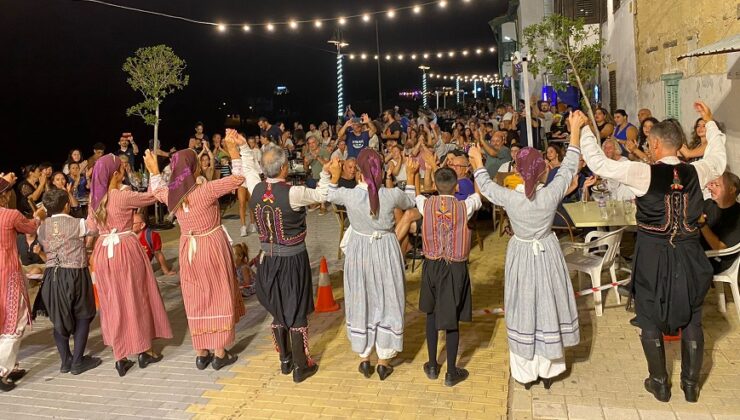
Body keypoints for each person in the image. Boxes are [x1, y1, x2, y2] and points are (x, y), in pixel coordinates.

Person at [580, 101, 726, 403]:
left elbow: (599, 164)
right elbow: (718, 158)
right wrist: (710, 123)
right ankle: (690, 385)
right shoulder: (697, 170)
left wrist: (581, 131)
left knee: (649, 316)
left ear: (656, 144)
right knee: (693, 318)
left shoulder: (641, 172)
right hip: (689, 253)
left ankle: (659, 383)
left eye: (648, 143)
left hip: (652, 255)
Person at [468, 111, 587, 390]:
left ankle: (525, 373)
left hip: (521, 253)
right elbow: (569, 165)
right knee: (548, 302)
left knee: (523, 306)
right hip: (547, 251)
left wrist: (476, 161)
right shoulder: (550, 192)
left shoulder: (511, 197)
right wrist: (575, 129)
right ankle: (549, 370)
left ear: (519, 171)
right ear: (542, 169)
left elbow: (484, 186)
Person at [147, 134, 246, 371]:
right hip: (210, 243)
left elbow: (157, 189)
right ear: (192, 169)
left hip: (188, 248)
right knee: (218, 291)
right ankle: (219, 352)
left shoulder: (173, 196)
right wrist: (233, 152)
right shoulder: (206, 191)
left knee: (195, 296)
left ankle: (201, 353)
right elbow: (238, 179)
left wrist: (153, 170)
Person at [240, 142, 330, 383]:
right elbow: (322, 194)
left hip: (268, 260)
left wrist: (242, 147)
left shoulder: (255, 187)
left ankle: (285, 360)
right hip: (293, 259)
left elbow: (248, 169)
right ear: (284, 167)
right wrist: (327, 173)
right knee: (297, 308)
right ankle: (301, 366)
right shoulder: (294, 192)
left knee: (278, 309)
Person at [326, 150, 416, 381]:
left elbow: (327, 193)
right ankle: (384, 361)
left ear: (359, 171)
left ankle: (365, 358)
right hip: (385, 249)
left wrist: (333, 174)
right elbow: (411, 200)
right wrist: (412, 176)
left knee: (361, 297)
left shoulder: (350, 195)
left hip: (360, 252)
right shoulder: (391, 194)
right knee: (387, 298)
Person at [86, 154, 172, 377]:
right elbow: (154, 197)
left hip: (103, 251)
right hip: (124, 247)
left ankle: (120, 356)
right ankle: (144, 350)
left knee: (112, 300)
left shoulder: (94, 201)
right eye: (121, 169)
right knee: (136, 296)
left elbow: (90, 228)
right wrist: (154, 172)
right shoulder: (121, 196)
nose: (124, 171)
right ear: (115, 174)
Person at [409, 165, 482, 387]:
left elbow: (415, 193)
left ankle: (432, 365)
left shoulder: (426, 204)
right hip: (455, 267)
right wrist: (477, 167)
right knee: (452, 319)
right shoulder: (464, 206)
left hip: (431, 265)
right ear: (457, 186)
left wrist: (418, 173)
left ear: (435, 186)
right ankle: (451, 371)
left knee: (431, 314)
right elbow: (478, 196)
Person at [37, 188, 101, 375]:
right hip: (75, 273)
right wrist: (91, 204)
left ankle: (66, 360)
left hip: (51, 275)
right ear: (66, 205)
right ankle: (78, 361)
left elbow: (43, 240)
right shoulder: (76, 223)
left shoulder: (42, 227)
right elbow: (94, 227)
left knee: (58, 317)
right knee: (83, 315)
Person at [0, 173, 44, 392]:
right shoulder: (10, 215)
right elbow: (32, 227)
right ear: (5, 196)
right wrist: (39, 215)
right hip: (7, 274)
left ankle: (12, 365)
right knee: (13, 323)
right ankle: (1, 370)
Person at [701, 171, 740, 274]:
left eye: (716, 185)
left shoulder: (737, 215)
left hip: (715, 260)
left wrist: (702, 224)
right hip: (695, 249)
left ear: (731, 189)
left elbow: (720, 248)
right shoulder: (709, 204)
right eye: (711, 183)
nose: (709, 187)